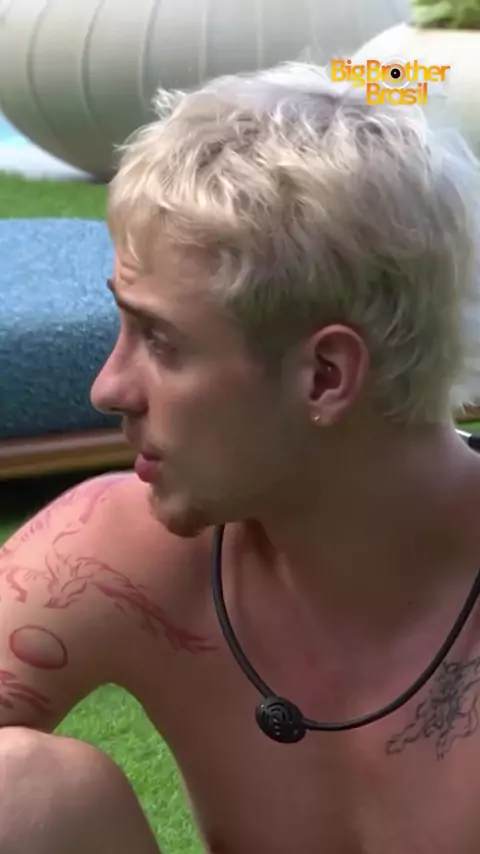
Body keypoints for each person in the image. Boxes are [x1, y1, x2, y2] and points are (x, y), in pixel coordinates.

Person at [2, 60, 480, 854]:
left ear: (324, 375)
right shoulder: (125, 556)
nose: (108, 388)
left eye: (161, 341)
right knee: (24, 792)